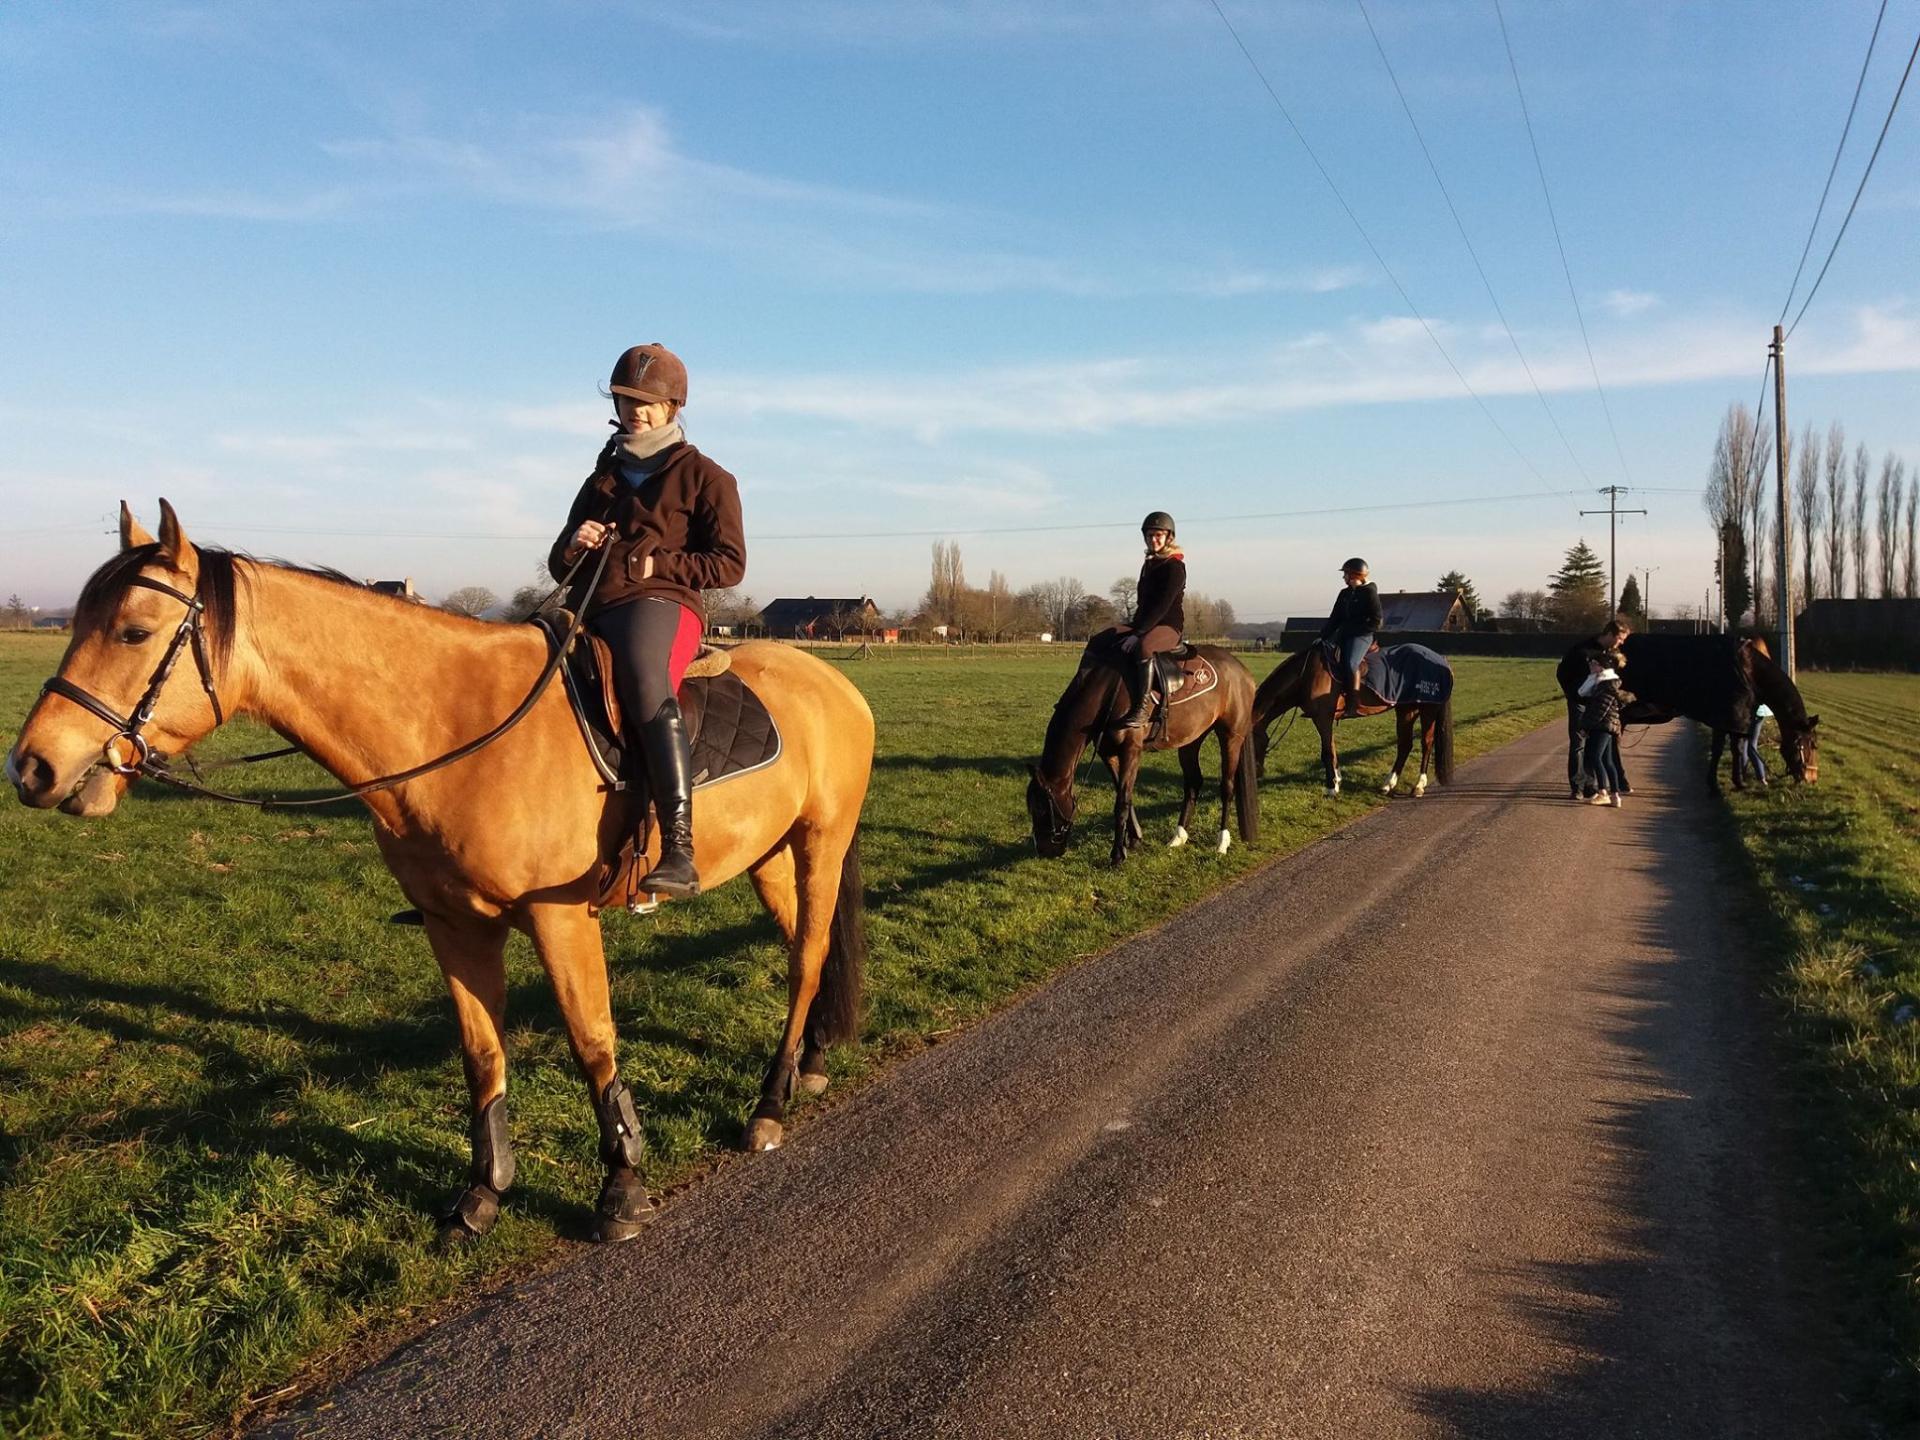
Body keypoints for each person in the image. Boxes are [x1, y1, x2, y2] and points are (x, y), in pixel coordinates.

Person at [549, 343, 746, 897]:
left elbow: (730, 564)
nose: (635, 409)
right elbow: (556, 562)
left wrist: (658, 562)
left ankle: (678, 847)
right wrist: (574, 543)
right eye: (626, 398)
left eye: (648, 401)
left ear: (672, 406)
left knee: (642, 676)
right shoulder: (601, 479)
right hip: (591, 604)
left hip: (664, 604)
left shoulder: (707, 477)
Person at [1113, 511, 1186, 730]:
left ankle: (1141, 709)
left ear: (1168, 538)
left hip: (1167, 625)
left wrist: (1138, 634)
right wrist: (1134, 626)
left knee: (1144, 648)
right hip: (1144, 623)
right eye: (1150, 535)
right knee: (1103, 639)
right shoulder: (1149, 564)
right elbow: (1143, 603)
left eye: (1158, 535)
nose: (1153, 539)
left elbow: (1161, 606)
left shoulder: (1175, 567)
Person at [1568, 615, 1632, 798]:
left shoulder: (1611, 656)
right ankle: (1580, 788)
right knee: (1579, 745)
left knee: (1599, 752)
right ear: (1610, 634)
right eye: (1620, 639)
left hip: (1599, 709)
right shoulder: (1583, 651)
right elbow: (1564, 674)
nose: (1620, 643)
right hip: (1581, 702)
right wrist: (1576, 697)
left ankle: (1600, 788)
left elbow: (1612, 686)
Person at [1319, 557, 1382, 717]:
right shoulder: (1344, 594)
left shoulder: (1369, 592)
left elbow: (1377, 620)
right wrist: (1322, 637)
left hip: (1362, 635)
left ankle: (1353, 705)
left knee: (1351, 663)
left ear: (1355, 575)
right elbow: (1335, 618)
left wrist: (1356, 630)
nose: (1343, 577)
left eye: (1346, 574)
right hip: (1344, 634)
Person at [1576, 650, 1629, 807]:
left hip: (1602, 725)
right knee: (1607, 760)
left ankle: (1603, 792)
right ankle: (1615, 796)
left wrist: (1586, 726)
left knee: (1595, 757)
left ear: (1602, 666)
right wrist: (1593, 677)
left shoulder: (1606, 684)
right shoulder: (1603, 682)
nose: (1590, 666)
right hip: (1607, 725)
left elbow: (1599, 710)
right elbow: (1582, 692)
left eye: (1594, 664)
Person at [1741, 702, 1772, 785]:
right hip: (1761, 713)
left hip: (1749, 712)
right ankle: (1761, 776)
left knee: (1744, 745)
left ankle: (1742, 776)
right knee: (1752, 745)